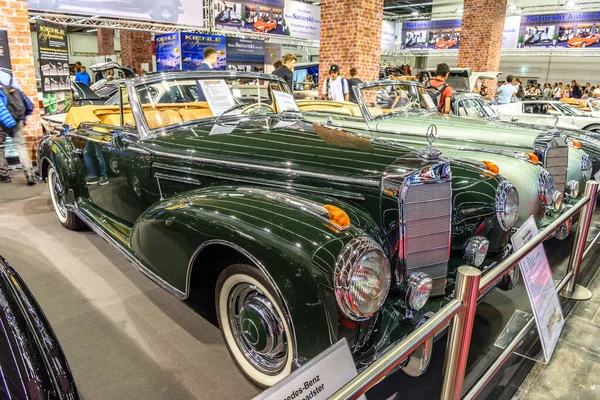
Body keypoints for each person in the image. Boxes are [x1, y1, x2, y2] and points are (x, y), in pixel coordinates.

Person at [0, 70, 36, 185]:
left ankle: (4, 175)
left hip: (2, 120)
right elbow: (21, 97)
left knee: (0, 148)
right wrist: (23, 118)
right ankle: (30, 174)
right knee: (21, 146)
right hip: (17, 118)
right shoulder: (8, 76)